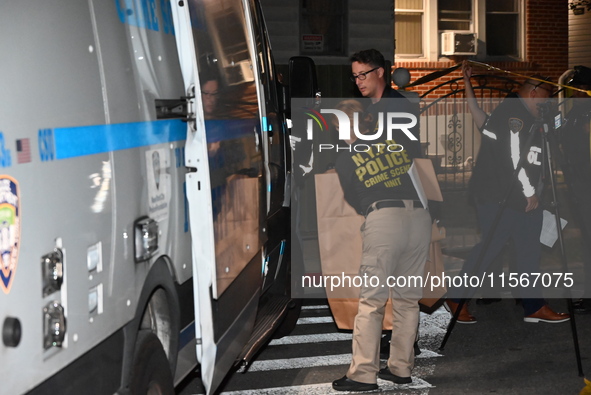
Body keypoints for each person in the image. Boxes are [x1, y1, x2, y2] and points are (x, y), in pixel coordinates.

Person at [332, 49, 431, 392]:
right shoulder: (395, 134)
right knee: (406, 300)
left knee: (372, 302)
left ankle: (362, 374)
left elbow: (352, 193)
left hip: (384, 217)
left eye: (363, 75)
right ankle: (401, 368)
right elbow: (417, 162)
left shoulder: (348, 153)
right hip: (419, 216)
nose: (357, 81)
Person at [446, 75, 570, 324]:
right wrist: (529, 191)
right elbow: (515, 156)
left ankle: (534, 305)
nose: (546, 104)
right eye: (545, 98)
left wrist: (468, 84)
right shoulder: (515, 115)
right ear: (533, 93)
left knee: (528, 251)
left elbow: (479, 117)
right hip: (503, 196)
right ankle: (457, 297)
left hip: (513, 196)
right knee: (492, 248)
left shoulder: (516, 114)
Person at [560, 65, 591, 314]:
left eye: (578, 89)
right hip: (578, 184)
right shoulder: (573, 112)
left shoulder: (587, 112)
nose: (574, 93)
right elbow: (562, 136)